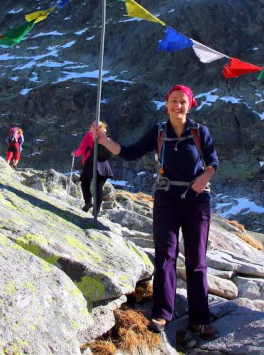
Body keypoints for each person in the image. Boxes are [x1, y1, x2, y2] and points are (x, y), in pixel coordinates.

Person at [93, 84, 219, 340]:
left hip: (197, 200)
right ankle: (162, 315)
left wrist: (205, 176)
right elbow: (128, 153)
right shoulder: (158, 132)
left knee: (196, 261)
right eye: (174, 101)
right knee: (165, 256)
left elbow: (213, 160)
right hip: (166, 198)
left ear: (190, 104)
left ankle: (200, 320)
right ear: (166, 104)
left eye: (183, 101)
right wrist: (103, 139)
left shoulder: (200, 132)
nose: (178, 106)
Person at [72, 121, 113, 212]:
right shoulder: (105, 137)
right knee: (98, 186)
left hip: (91, 162)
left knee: (85, 183)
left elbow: (82, 149)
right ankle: (96, 210)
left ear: (93, 126)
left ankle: (88, 202)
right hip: (104, 165)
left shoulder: (90, 135)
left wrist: (75, 153)